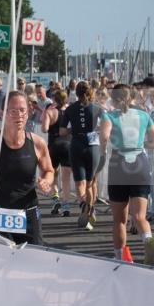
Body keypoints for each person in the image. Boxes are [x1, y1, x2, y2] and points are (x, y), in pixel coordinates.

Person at [0, 90, 55, 245]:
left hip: (29, 213)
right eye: (13, 111)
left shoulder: (38, 143)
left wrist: (46, 181)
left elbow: (49, 170)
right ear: (3, 113)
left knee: (33, 262)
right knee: (0, 264)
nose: (18, 115)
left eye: (22, 110)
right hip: (0, 214)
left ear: (28, 112)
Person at [99, 84, 154, 265]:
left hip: (119, 164)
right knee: (140, 216)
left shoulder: (109, 116)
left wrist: (103, 152)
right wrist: (142, 146)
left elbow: (103, 137)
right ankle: (149, 243)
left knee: (119, 219)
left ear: (114, 98)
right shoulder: (144, 115)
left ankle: (120, 258)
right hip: (140, 162)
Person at [60, 81, 103, 231]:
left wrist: (74, 129)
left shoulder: (70, 109)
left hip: (77, 144)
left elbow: (62, 132)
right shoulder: (97, 108)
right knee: (92, 182)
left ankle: (84, 206)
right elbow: (106, 127)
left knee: (80, 183)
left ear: (76, 93)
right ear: (90, 92)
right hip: (93, 144)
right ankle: (91, 209)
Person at [42, 90, 73, 216]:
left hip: (53, 145)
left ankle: (55, 198)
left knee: (52, 173)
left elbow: (44, 129)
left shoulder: (50, 111)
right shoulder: (70, 111)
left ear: (54, 99)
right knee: (66, 178)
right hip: (67, 145)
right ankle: (66, 205)